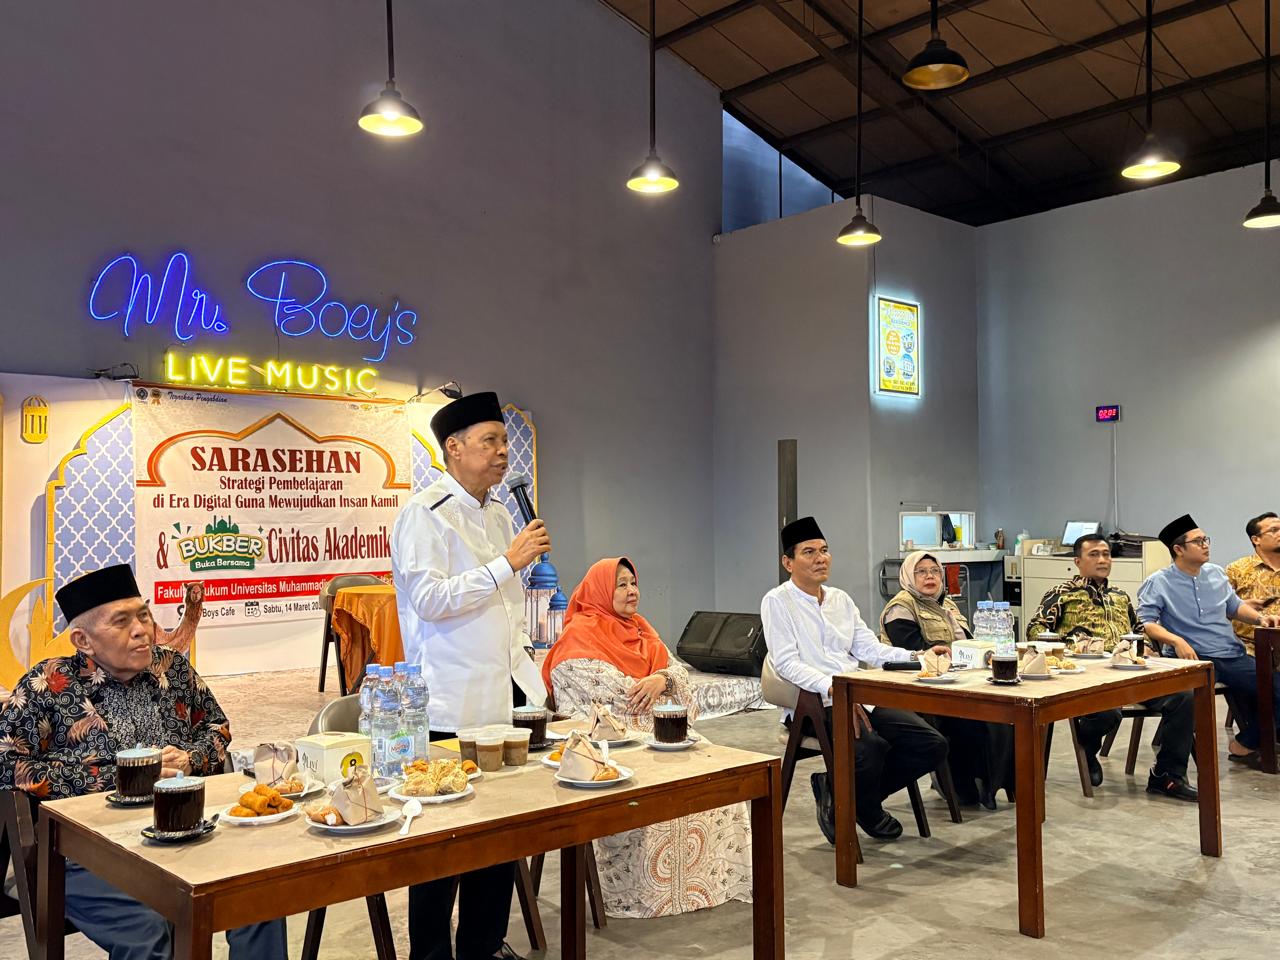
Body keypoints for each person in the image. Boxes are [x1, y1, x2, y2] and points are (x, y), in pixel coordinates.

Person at [0, 564, 287, 960]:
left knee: (260, 894)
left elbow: (217, 727)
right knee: (149, 935)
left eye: (144, 615)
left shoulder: (172, 668)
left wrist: (191, 758)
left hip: (185, 831)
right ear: (83, 640)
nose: (142, 630)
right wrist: (117, 777)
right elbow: (6, 762)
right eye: (122, 622)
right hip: (82, 855)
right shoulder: (48, 684)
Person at [392, 391, 550, 960]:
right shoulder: (425, 513)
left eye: (505, 441)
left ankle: (484, 947)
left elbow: (504, 606)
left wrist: (531, 674)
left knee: (499, 833)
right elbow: (431, 600)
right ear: (454, 448)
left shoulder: (501, 513)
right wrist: (507, 562)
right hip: (450, 701)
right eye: (491, 441)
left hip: (503, 696)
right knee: (442, 843)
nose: (503, 451)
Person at [542, 557, 751, 919]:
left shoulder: (641, 630)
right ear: (600, 591)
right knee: (652, 788)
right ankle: (644, 896)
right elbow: (624, 696)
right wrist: (659, 684)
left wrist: (662, 680)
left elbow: (679, 677)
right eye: (620, 584)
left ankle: (711, 885)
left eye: (633, 583)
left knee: (716, 776)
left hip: (659, 730)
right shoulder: (579, 637)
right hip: (607, 744)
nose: (632, 591)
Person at [761, 517, 948, 843]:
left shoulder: (840, 600)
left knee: (931, 744)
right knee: (869, 748)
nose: (821, 558)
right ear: (788, 562)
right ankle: (866, 808)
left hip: (860, 696)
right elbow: (787, 664)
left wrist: (919, 656)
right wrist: (835, 689)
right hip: (815, 703)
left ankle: (846, 796)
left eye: (824, 550)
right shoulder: (778, 601)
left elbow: (870, 649)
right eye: (809, 552)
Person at [1026, 534, 1197, 800]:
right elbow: (1035, 630)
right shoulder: (1061, 594)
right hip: (1088, 677)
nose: (1102, 560)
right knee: (1107, 712)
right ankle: (1087, 749)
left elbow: (1140, 629)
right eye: (1094, 554)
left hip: (1129, 673)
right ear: (1078, 561)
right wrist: (1070, 648)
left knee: (1183, 697)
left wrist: (1147, 646)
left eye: (1106, 554)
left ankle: (1167, 775)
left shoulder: (1120, 596)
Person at [1138, 514, 1280, 767]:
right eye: (1198, 541)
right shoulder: (1159, 581)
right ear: (1178, 549)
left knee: (1275, 687)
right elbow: (1147, 622)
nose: (1206, 545)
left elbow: (1234, 606)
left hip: (1230, 654)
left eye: (1206, 539)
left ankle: (1246, 742)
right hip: (1192, 657)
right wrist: (1177, 641)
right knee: (1183, 700)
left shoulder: (1215, 573)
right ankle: (1171, 771)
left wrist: (1260, 618)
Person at [880, 551, 1013, 809]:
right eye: (921, 572)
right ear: (908, 576)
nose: (929, 576)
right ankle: (961, 784)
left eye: (935, 571)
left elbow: (969, 643)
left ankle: (992, 783)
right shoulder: (900, 608)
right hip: (920, 688)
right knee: (972, 718)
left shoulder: (947, 604)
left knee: (1004, 711)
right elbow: (915, 652)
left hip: (957, 681)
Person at [1225, 511, 1280, 657]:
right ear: (1256, 539)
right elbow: (1217, 610)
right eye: (1274, 530)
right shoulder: (1236, 569)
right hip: (1247, 649)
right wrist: (1241, 606)